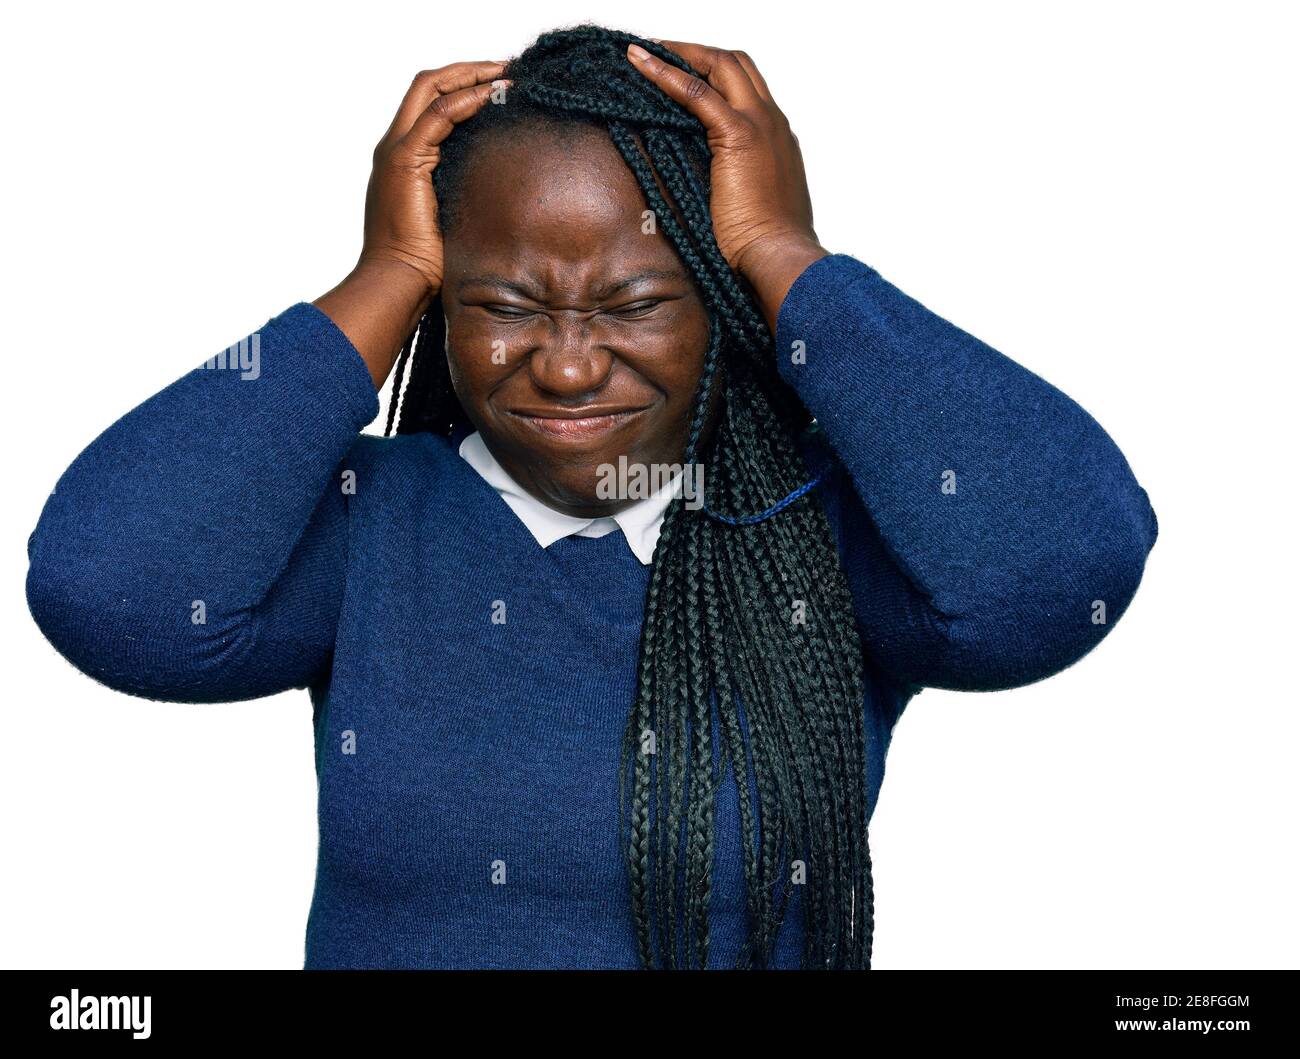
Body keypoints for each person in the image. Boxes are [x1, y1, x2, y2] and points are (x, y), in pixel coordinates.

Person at [24, 24, 1158, 970]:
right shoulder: (372, 522)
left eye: (634, 303)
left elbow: (1060, 570)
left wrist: (786, 253)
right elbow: (106, 588)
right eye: (504, 304)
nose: (566, 365)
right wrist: (382, 276)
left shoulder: (812, 531)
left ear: (723, 304)